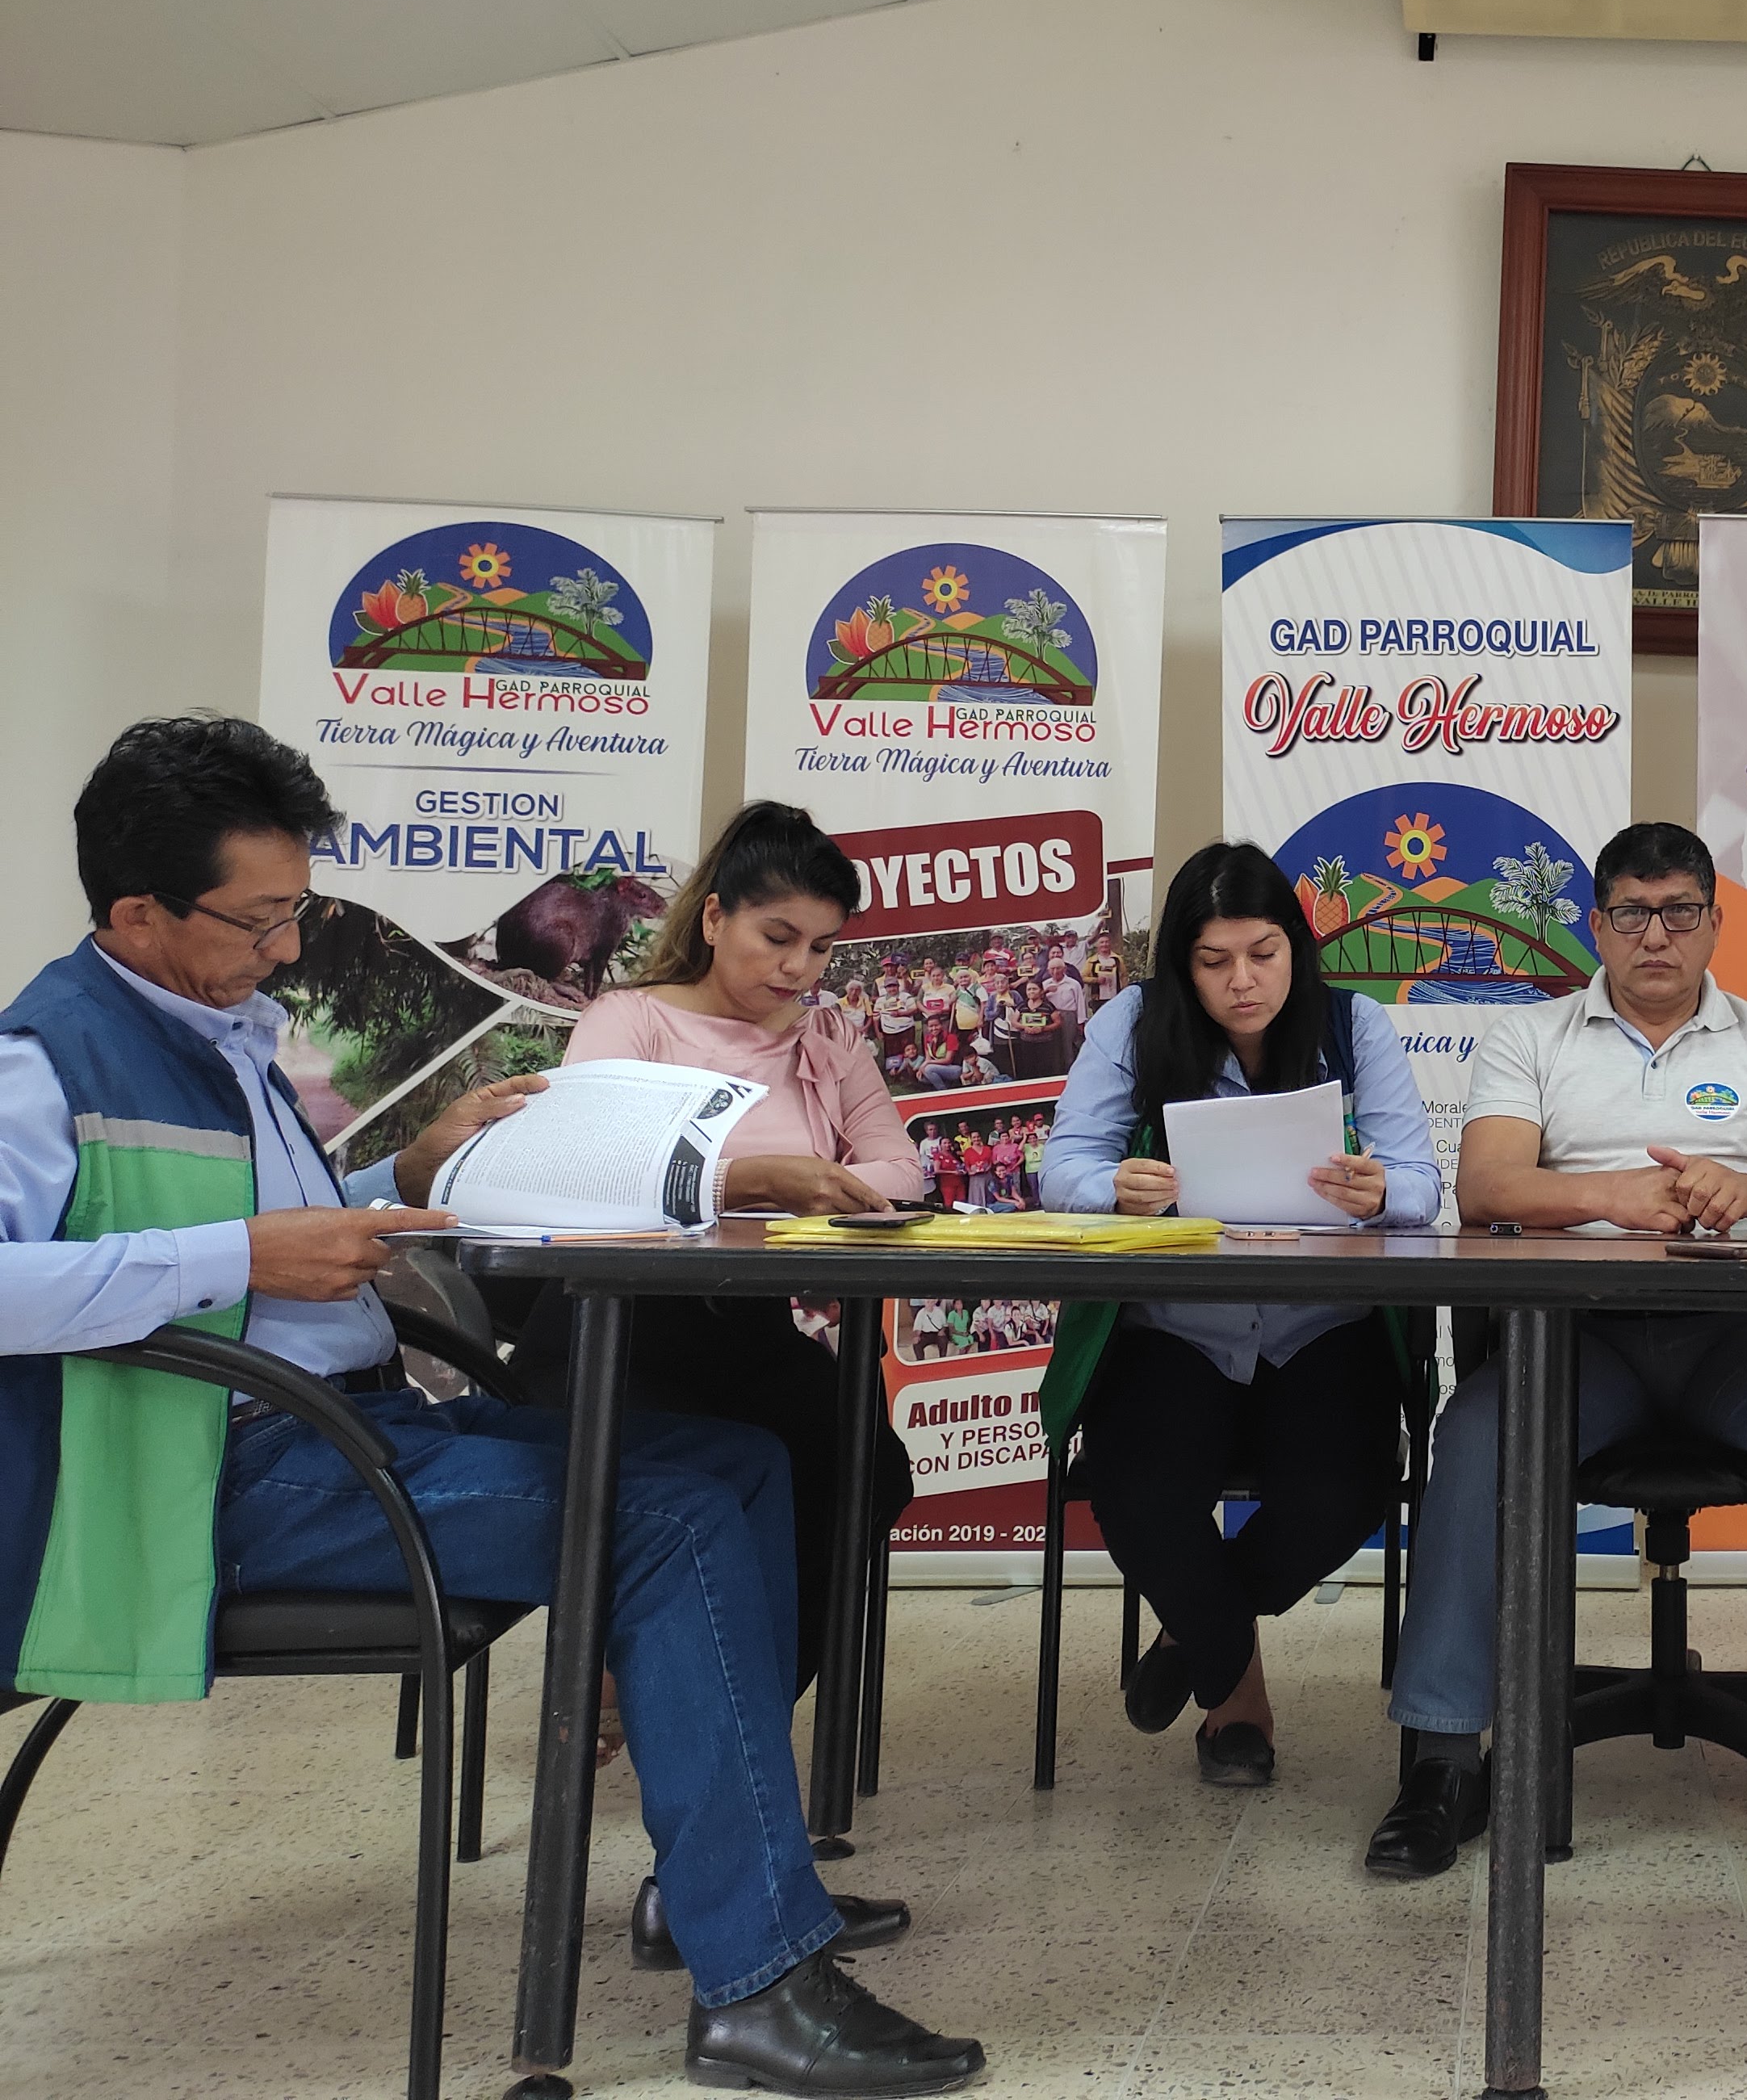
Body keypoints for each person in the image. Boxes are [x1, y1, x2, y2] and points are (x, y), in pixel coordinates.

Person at [0, 717, 979, 2094]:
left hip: (343, 1420)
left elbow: (277, 1227)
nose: (287, 947)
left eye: (296, 910)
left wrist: (404, 1171)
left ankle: (727, 1883)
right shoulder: (46, 1059)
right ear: (138, 914)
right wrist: (238, 1257)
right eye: (261, 918)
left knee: (751, 1461)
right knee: (676, 1517)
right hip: (219, 1468)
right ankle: (759, 1981)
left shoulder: (219, 1031)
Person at [1365, 822, 1747, 1894]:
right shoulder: (1530, 1037)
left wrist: (1744, 1191)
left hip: (1741, 1337)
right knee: (1476, 1437)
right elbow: (1487, 1188)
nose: (1656, 935)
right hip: (1576, 1339)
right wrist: (1613, 1197)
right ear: (1598, 925)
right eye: (1632, 913)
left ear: (1715, 923)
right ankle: (1442, 1762)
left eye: (1680, 912)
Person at [1040, 842, 1436, 1787]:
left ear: (1296, 945)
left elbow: (1422, 1185)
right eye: (1213, 962)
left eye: (1263, 954)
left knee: (1343, 1493)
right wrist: (1115, 1187)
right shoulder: (1134, 1022)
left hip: (1321, 1327)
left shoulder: (1354, 1025)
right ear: (1182, 964)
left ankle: (1193, 1635)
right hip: (1177, 1326)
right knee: (1137, 1492)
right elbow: (1063, 1169)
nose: (1242, 982)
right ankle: (1238, 1690)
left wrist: (1379, 1192)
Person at [534, 803, 919, 1710]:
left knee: (866, 1472)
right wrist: (749, 1183)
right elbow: (583, 1167)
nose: (798, 969)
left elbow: (901, 1171)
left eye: (821, 948)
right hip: (615, 1330)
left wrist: (811, 1186)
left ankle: (742, 1707)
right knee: (682, 1486)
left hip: (751, 1327)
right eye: (777, 938)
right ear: (714, 917)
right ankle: (661, 1683)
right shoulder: (631, 1022)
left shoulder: (827, 1039)